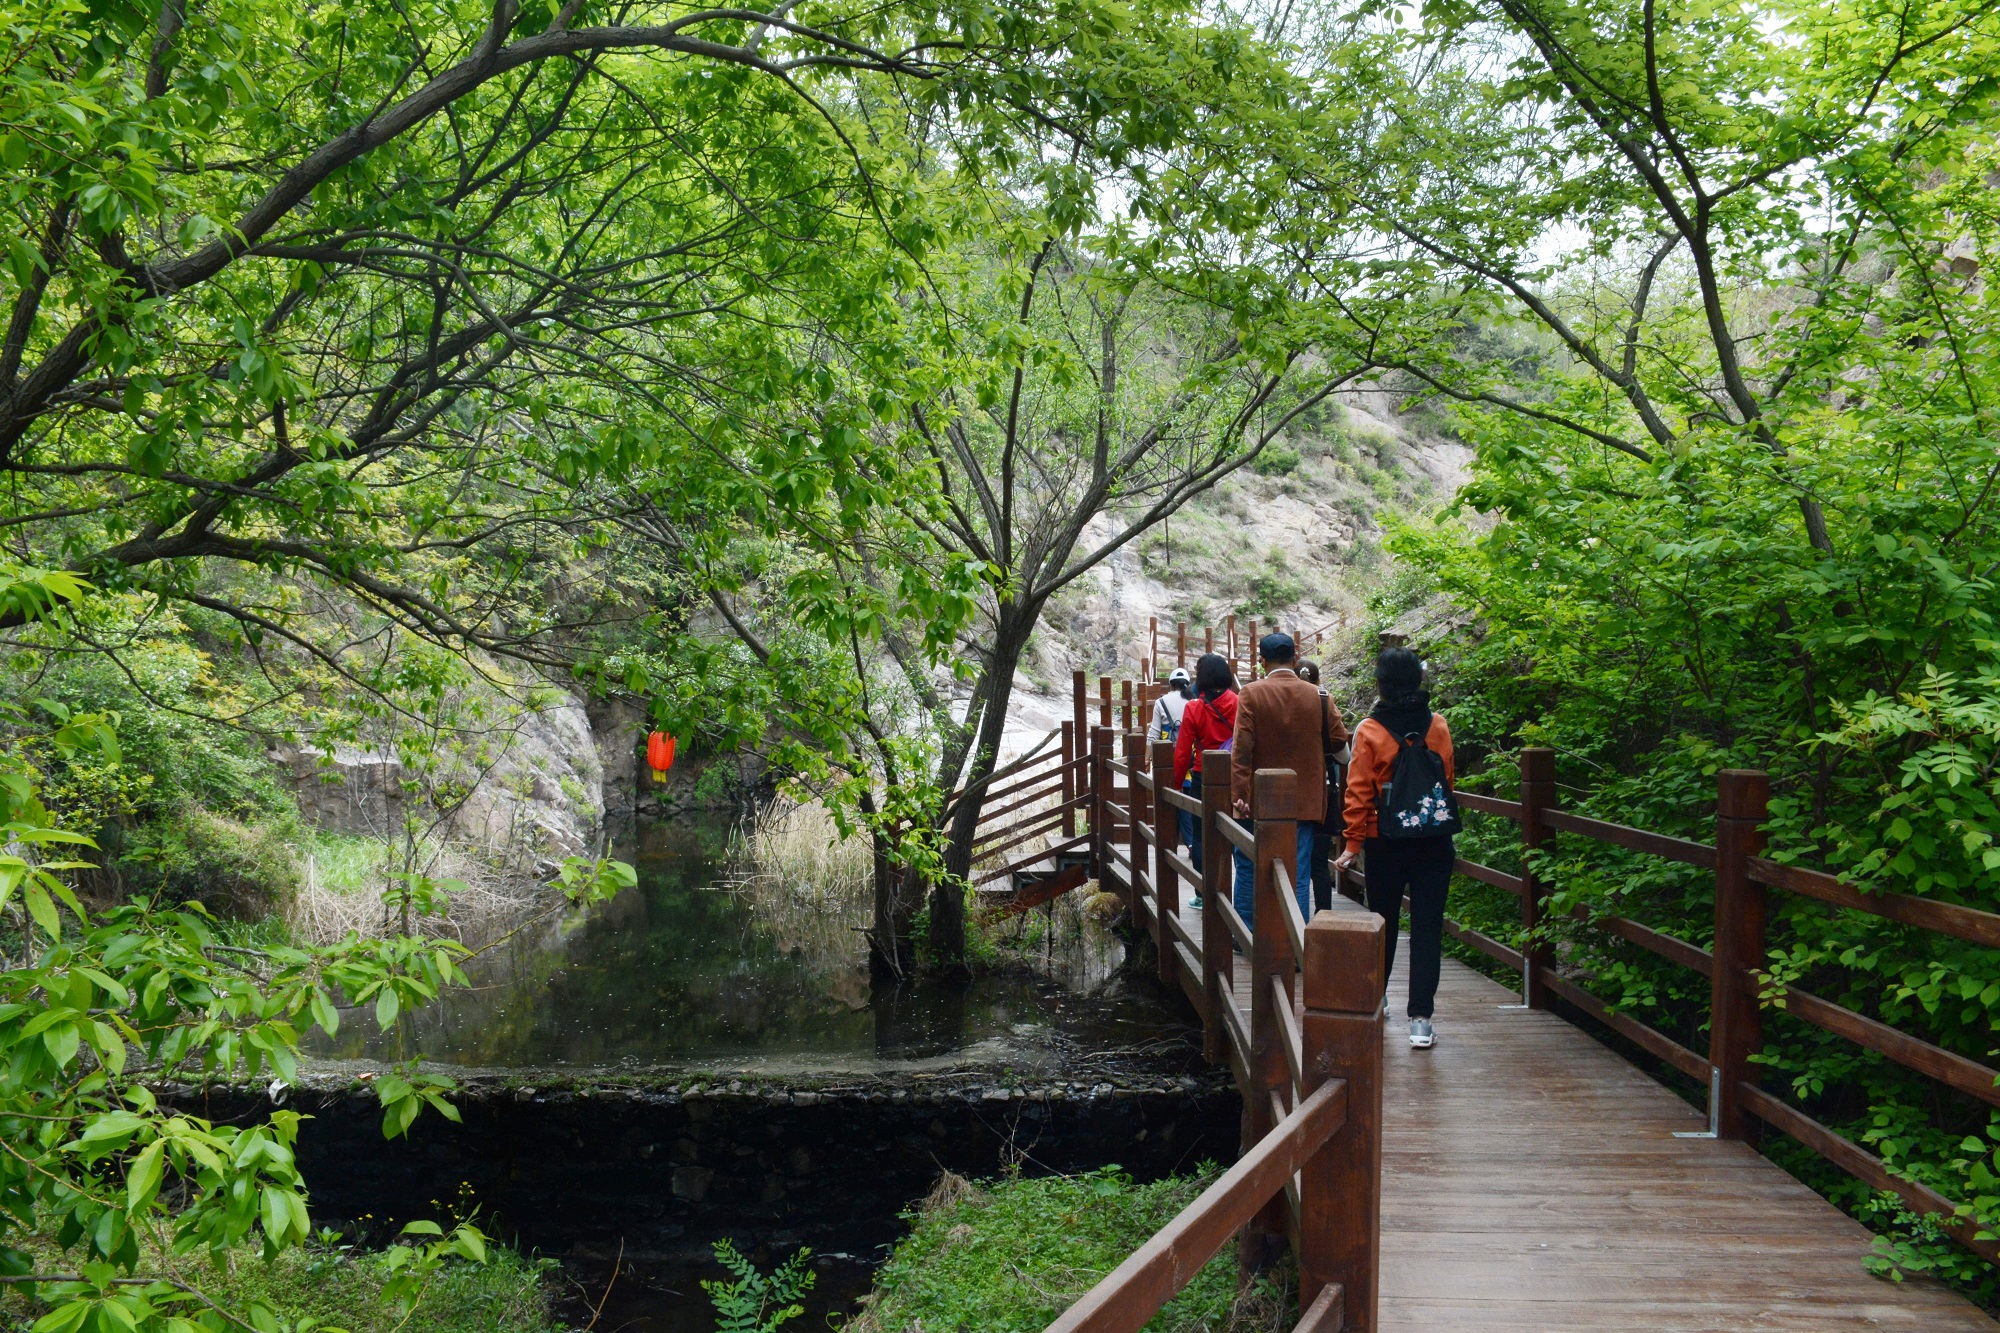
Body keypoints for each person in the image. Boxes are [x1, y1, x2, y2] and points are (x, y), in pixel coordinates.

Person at [1336, 646, 1457, 1050]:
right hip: (1433, 841)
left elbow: (1358, 793)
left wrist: (1353, 842)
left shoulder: (1370, 730)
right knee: (1426, 930)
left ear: (1382, 684)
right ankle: (1420, 1021)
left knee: (1382, 921)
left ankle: (1379, 997)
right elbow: (1447, 783)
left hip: (1384, 841)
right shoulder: (1437, 725)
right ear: (1418, 681)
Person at [1229, 633, 1350, 929]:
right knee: (1298, 871)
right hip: (1303, 800)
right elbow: (1339, 743)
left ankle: (1245, 933)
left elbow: (1242, 748)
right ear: (1295, 659)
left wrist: (1239, 794)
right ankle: (1294, 942)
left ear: (1261, 662)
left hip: (1257, 800)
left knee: (1248, 866)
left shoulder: (1251, 694)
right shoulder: (1319, 696)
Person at [1171, 654, 1238, 905]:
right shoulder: (1239, 703)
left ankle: (1203, 894)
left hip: (1203, 775)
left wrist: (1176, 784)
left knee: (1201, 836)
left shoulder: (1194, 707)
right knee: (1234, 832)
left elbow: (1182, 751)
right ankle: (1231, 892)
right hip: (1234, 776)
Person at [1296, 661, 1349, 913]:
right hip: (1321, 791)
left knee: (1291, 862)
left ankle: (1295, 919)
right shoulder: (1324, 701)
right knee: (1318, 863)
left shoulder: (1287, 701)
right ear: (1317, 680)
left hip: (1287, 791)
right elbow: (1344, 755)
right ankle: (1324, 913)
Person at [1148, 667, 1194, 745]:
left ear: (1170, 685)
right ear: (1188, 685)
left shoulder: (1160, 702)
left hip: (1167, 750)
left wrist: (1147, 756)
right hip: (1189, 751)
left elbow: (1154, 732)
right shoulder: (1194, 702)